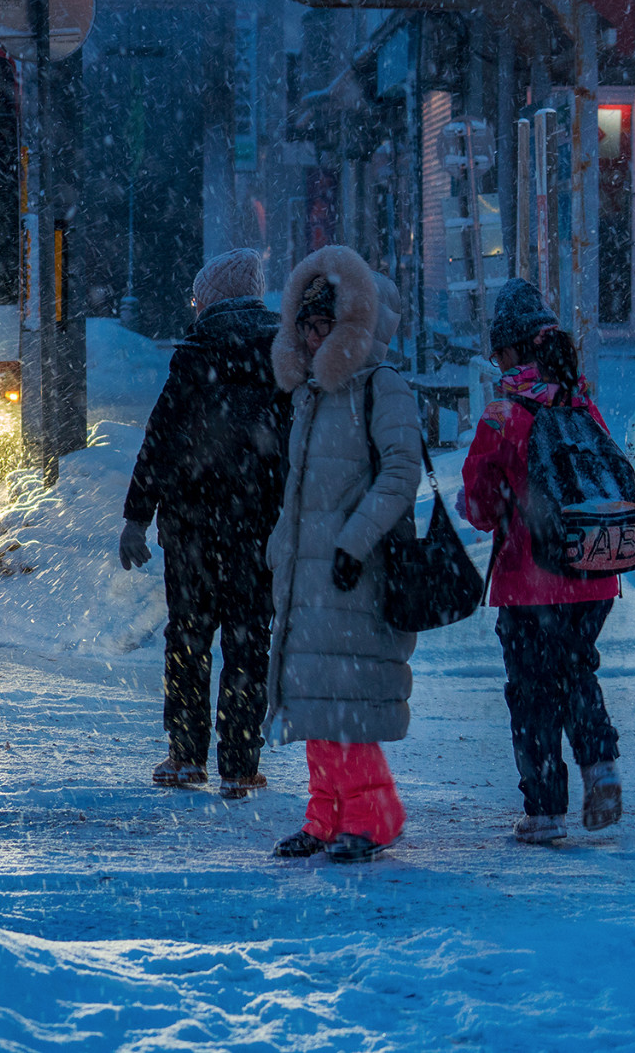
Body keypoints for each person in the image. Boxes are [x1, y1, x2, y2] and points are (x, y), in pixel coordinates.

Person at [262, 246, 421, 864]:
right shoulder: (313, 393)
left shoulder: (380, 387)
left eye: (323, 324)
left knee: (345, 708)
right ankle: (326, 818)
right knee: (316, 705)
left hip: (354, 574)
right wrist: (283, 551)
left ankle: (374, 816)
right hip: (309, 576)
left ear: (349, 325)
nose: (311, 335)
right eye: (304, 324)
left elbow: (401, 472)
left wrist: (354, 542)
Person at [118, 249, 291, 797]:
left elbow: (161, 440)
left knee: (188, 638)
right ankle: (240, 765)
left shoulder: (195, 353)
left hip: (192, 526)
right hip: (258, 526)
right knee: (248, 642)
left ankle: (186, 755)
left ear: (212, 298)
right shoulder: (283, 354)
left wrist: (136, 517)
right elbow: (299, 442)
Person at [461, 280, 624, 845]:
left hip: (530, 581)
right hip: (593, 573)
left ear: (508, 351)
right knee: (577, 670)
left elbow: (480, 507)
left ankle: (545, 811)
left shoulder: (506, 413)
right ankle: (600, 765)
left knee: (532, 691)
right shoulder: (582, 402)